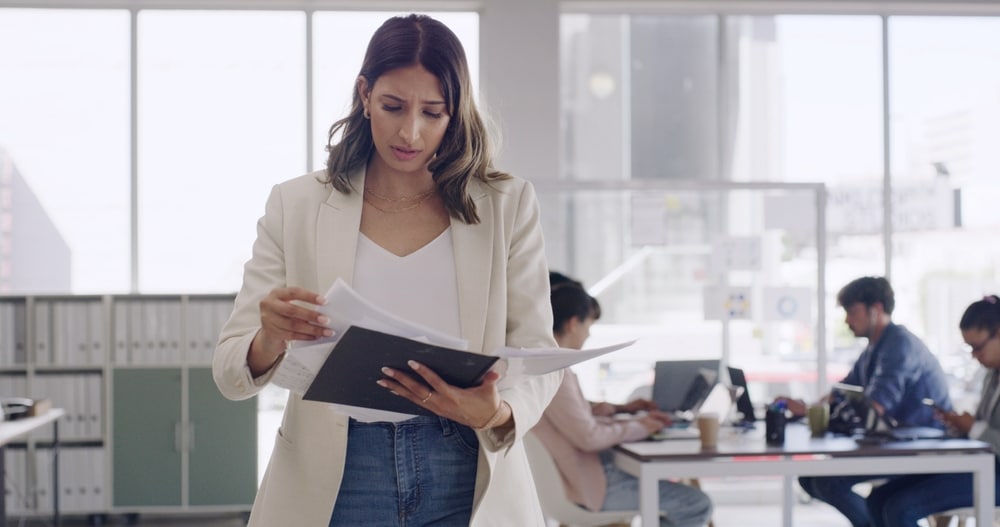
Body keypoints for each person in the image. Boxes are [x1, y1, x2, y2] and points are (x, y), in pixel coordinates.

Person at [212, 14, 562, 527]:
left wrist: (496, 414)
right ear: (364, 94)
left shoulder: (507, 203)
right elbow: (229, 370)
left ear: (456, 112)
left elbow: (536, 351)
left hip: (463, 464)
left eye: (433, 112)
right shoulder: (298, 204)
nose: (410, 131)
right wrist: (269, 337)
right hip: (337, 473)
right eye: (393, 106)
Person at [530, 273, 714, 526]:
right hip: (589, 488)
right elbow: (588, 436)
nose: (588, 336)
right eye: (588, 327)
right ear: (574, 323)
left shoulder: (546, 364)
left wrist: (626, 413)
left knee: (678, 491)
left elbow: (578, 418)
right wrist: (641, 426)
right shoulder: (555, 371)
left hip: (578, 481)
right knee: (696, 504)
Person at [774, 276, 953, 527]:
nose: (847, 319)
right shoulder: (874, 348)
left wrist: (815, 411)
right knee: (809, 478)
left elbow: (875, 407)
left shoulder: (899, 344)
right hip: (893, 444)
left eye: (852, 311)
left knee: (828, 481)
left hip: (923, 446)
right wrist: (809, 408)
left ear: (876, 309)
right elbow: (842, 391)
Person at [864, 295, 1000, 527]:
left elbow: (984, 432)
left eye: (977, 347)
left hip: (993, 474)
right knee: (878, 499)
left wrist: (974, 428)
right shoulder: (992, 374)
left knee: (900, 509)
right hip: (979, 465)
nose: (974, 356)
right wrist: (960, 425)